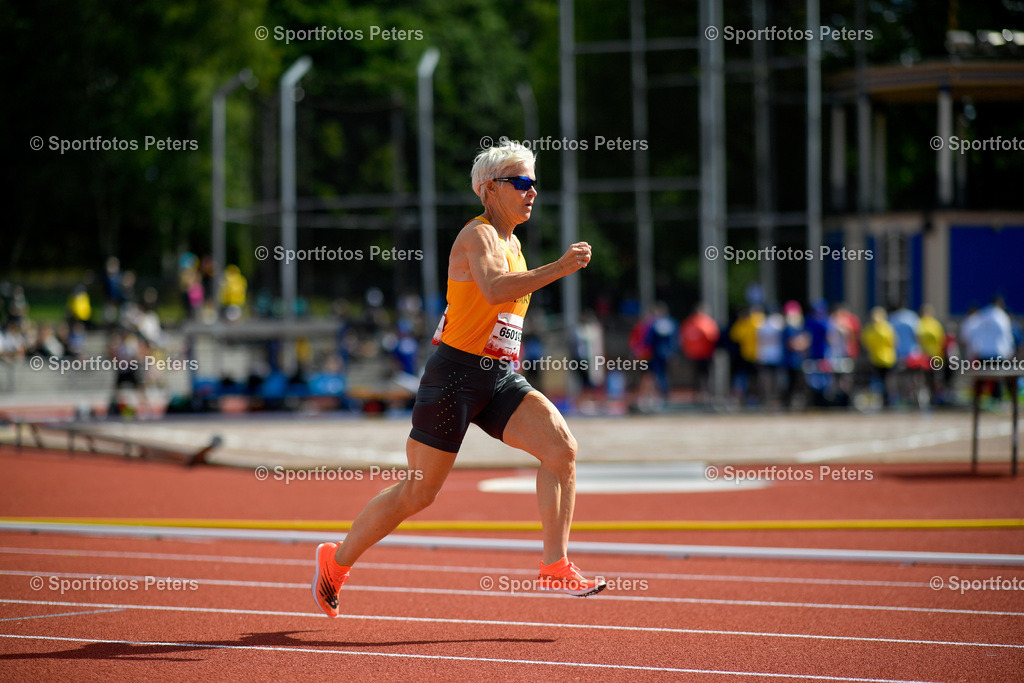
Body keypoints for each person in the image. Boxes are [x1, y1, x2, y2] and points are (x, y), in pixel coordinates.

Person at [312, 143, 605, 618]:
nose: (533, 192)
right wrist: (560, 267)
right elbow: (493, 291)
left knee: (561, 449)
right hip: (454, 375)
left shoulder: (512, 243)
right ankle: (336, 563)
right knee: (418, 493)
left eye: (535, 183)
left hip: (498, 376)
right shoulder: (479, 236)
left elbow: (501, 319)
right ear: (490, 189)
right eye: (522, 183)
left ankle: (555, 564)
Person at [680, 302, 719, 404]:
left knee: (697, 376)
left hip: (695, 354)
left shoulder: (689, 322)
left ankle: (699, 396)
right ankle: (705, 396)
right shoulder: (707, 322)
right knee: (705, 376)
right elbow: (713, 337)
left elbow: (683, 338)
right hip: (704, 354)